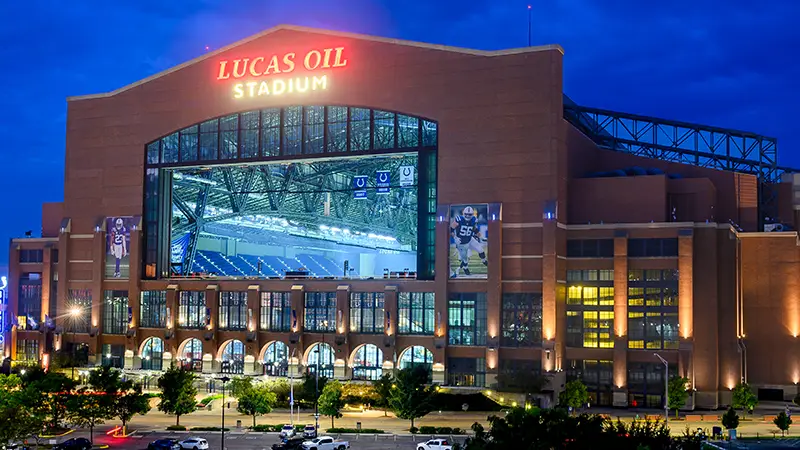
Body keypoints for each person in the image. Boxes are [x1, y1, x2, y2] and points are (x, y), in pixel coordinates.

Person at [450, 206, 487, 278]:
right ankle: (465, 268)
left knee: (481, 250)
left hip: (470, 239)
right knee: (465, 260)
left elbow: (474, 229)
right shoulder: (459, 219)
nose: (467, 216)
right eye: (466, 214)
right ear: (463, 213)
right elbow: (451, 229)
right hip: (461, 243)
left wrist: (481, 237)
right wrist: (455, 237)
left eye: (469, 214)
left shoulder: (474, 220)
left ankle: (484, 260)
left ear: (472, 214)